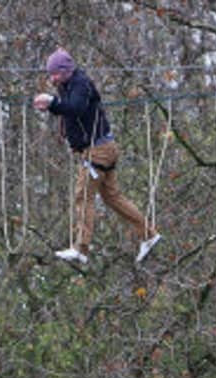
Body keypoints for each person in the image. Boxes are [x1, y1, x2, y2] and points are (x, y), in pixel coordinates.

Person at [32, 48, 162, 265]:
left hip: (98, 151)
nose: (52, 78)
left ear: (65, 71)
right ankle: (149, 234)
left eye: (55, 73)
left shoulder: (80, 83)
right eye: (50, 74)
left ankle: (80, 248)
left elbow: (76, 108)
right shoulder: (67, 84)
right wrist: (51, 106)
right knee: (112, 197)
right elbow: (69, 110)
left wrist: (52, 102)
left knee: (83, 196)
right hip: (104, 147)